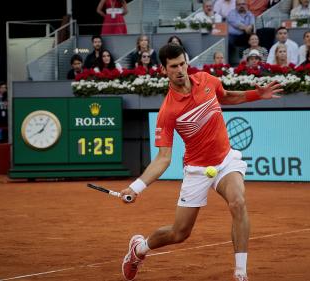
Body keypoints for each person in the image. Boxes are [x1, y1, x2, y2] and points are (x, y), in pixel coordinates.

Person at [119, 43, 283, 281]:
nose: (180, 70)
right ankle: (139, 249)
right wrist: (136, 187)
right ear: (164, 69)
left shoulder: (206, 80)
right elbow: (164, 158)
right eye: (173, 66)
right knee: (179, 233)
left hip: (226, 160)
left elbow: (226, 96)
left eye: (183, 63)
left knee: (237, 202)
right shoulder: (168, 111)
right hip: (197, 170)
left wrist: (257, 94)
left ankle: (240, 272)